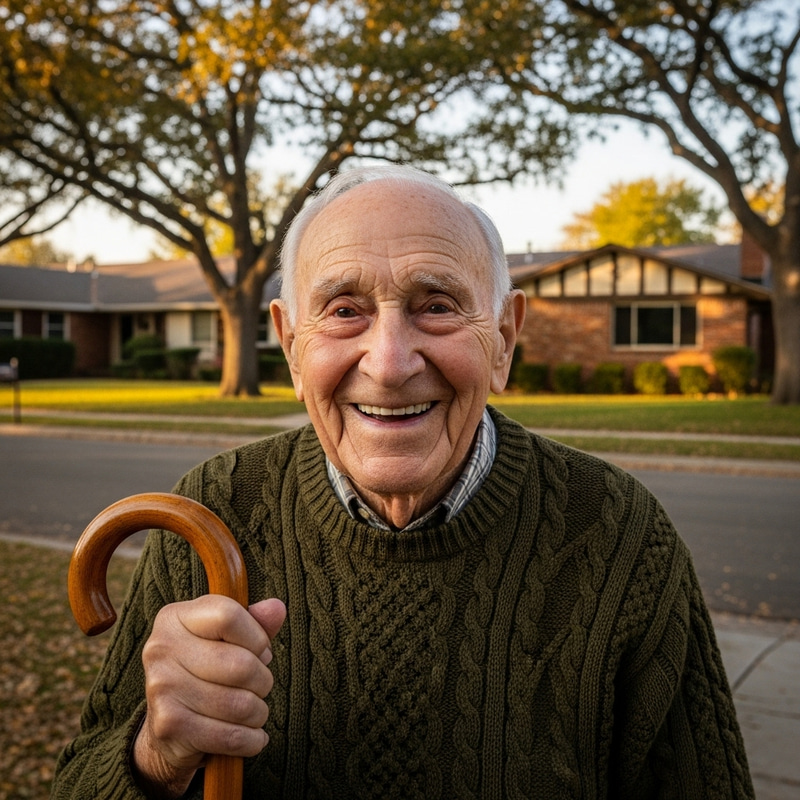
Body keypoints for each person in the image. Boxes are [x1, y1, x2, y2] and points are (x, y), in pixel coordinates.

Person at [53, 165, 754, 799]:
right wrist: (151, 757)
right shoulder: (211, 517)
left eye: (437, 305)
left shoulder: (620, 535)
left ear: (504, 340)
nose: (389, 363)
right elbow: (81, 779)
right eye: (344, 310)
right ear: (293, 348)